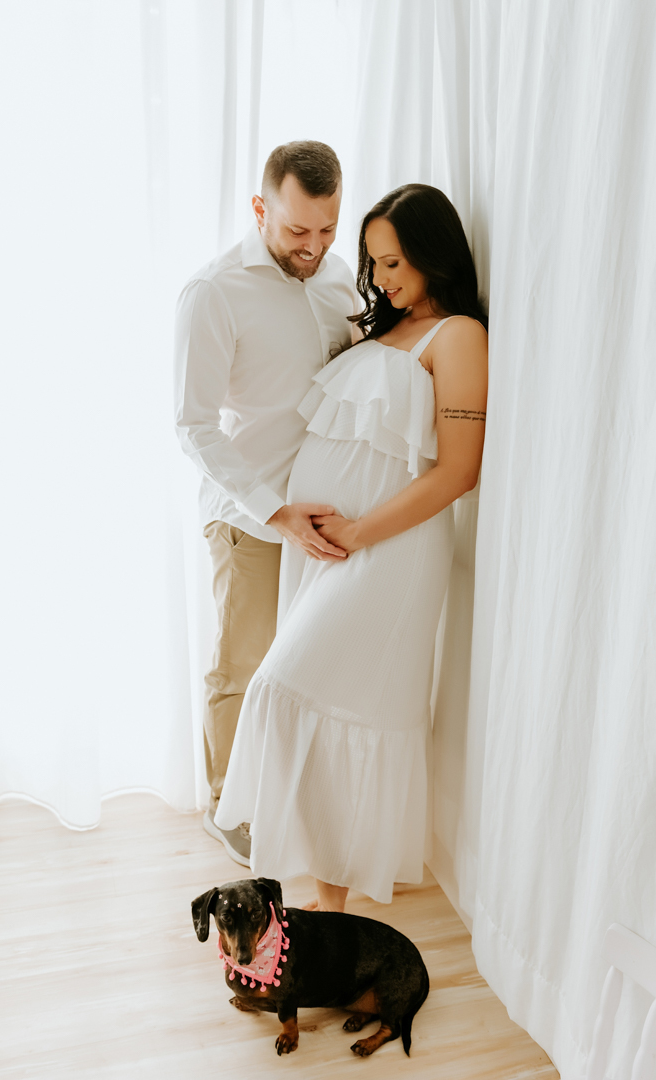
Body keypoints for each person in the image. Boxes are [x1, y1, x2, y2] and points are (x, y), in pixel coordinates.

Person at [215, 183, 488, 909]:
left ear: (433, 254)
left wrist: (361, 532)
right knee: (311, 708)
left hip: (389, 553)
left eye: (394, 263)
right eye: (372, 263)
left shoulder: (457, 335)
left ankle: (327, 907)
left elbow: (459, 470)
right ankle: (326, 908)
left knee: (291, 693)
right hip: (326, 551)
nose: (380, 278)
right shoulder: (382, 331)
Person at [174, 142, 357, 866]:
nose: (313, 247)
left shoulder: (339, 279)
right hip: (249, 516)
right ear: (260, 209)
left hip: (329, 518)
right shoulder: (213, 292)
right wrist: (271, 509)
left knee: (308, 669)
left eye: (327, 229)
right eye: (296, 230)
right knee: (242, 665)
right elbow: (192, 426)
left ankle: (296, 797)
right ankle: (228, 808)